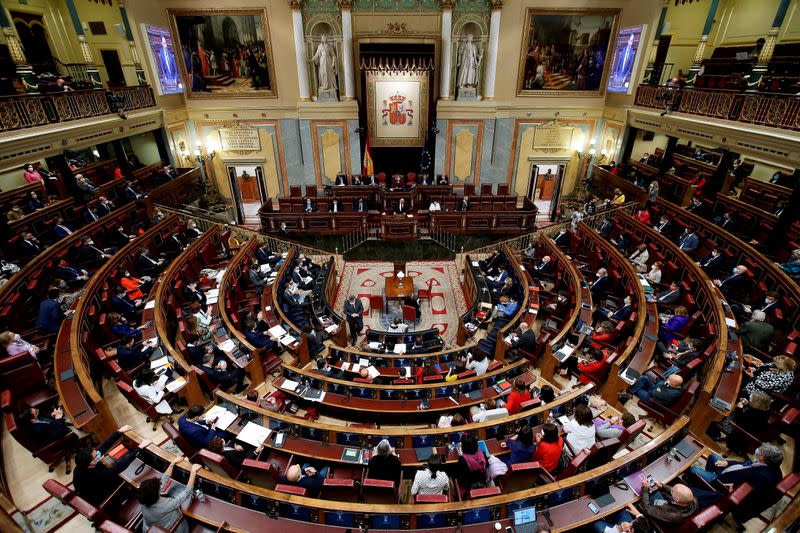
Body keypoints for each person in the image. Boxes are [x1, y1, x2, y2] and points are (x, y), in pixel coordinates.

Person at [686, 443, 783, 508]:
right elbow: (744, 465)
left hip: (723, 482)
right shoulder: (768, 463)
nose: (758, 450)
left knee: (693, 470)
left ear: (764, 457)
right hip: (731, 471)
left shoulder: (764, 477)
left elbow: (753, 494)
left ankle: (706, 484)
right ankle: (704, 483)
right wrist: (728, 463)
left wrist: (735, 488)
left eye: (760, 451)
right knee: (712, 457)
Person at [73, 425, 147, 505]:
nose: (98, 454)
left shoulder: (82, 464)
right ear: (91, 463)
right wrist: (139, 449)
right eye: (96, 456)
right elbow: (118, 468)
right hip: (101, 496)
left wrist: (119, 432)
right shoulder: (97, 474)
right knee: (122, 477)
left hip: (89, 487)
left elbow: (101, 449)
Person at [138, 456, 202, 533]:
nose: (160, 485)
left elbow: (162, 481)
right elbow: (187, 492)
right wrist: (193, 471)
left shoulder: (143, 497)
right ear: (156, 494)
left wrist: (173, 463)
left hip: (148, 529)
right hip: (174, 530)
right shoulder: (167, 505)